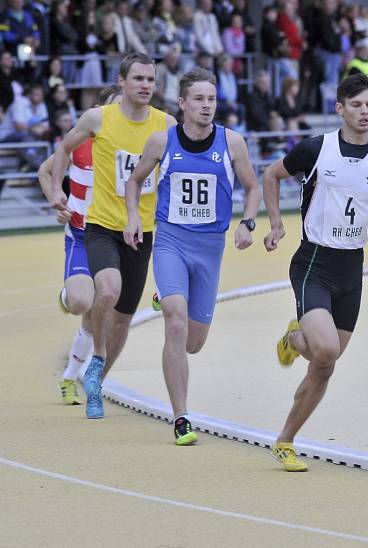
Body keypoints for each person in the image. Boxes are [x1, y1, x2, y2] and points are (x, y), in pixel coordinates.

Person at [261, 74, 368, 471]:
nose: (364, 112)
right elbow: (271, 175)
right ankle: (295, 335)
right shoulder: (316, 149)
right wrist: (275, 223)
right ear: (340, 108)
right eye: (356, 105)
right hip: (313, 263)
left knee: (326, 364)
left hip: (351, 269)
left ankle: (286, 440)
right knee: (325, 349)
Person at [123, 68, 259, 445]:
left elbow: (252, 188)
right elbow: (134, 181)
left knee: (193, 342)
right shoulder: (160, 142)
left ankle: (168, 294)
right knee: (175, 319)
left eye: (211, 99)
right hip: (170, 240)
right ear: (182, 104)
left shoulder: (232, 143)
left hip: (209, 249)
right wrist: (134, 216)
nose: (206, 106)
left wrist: (247, 223)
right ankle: (181, 416)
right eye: (198, 99)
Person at [49, 52, 176, 420]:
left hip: (144, 232)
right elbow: (63, 149)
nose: (145, 86)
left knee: (123, 318)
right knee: (106, 290)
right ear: (122, 82)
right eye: (138, 79)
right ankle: (96, 357)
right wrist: (58, 188)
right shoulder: (98, 118)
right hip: (103, 225)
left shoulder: (165, 125)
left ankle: (97, 381)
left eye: (150, 80)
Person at [37, 84, 123, 406]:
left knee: (98, 309)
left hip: (113, 237)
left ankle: (70, 378)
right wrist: (56, 201)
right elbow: (45, 172)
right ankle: (68, 293)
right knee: (79, 303)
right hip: (81, 235)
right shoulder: (82, 140)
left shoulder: (131, 148)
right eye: (114, 107)